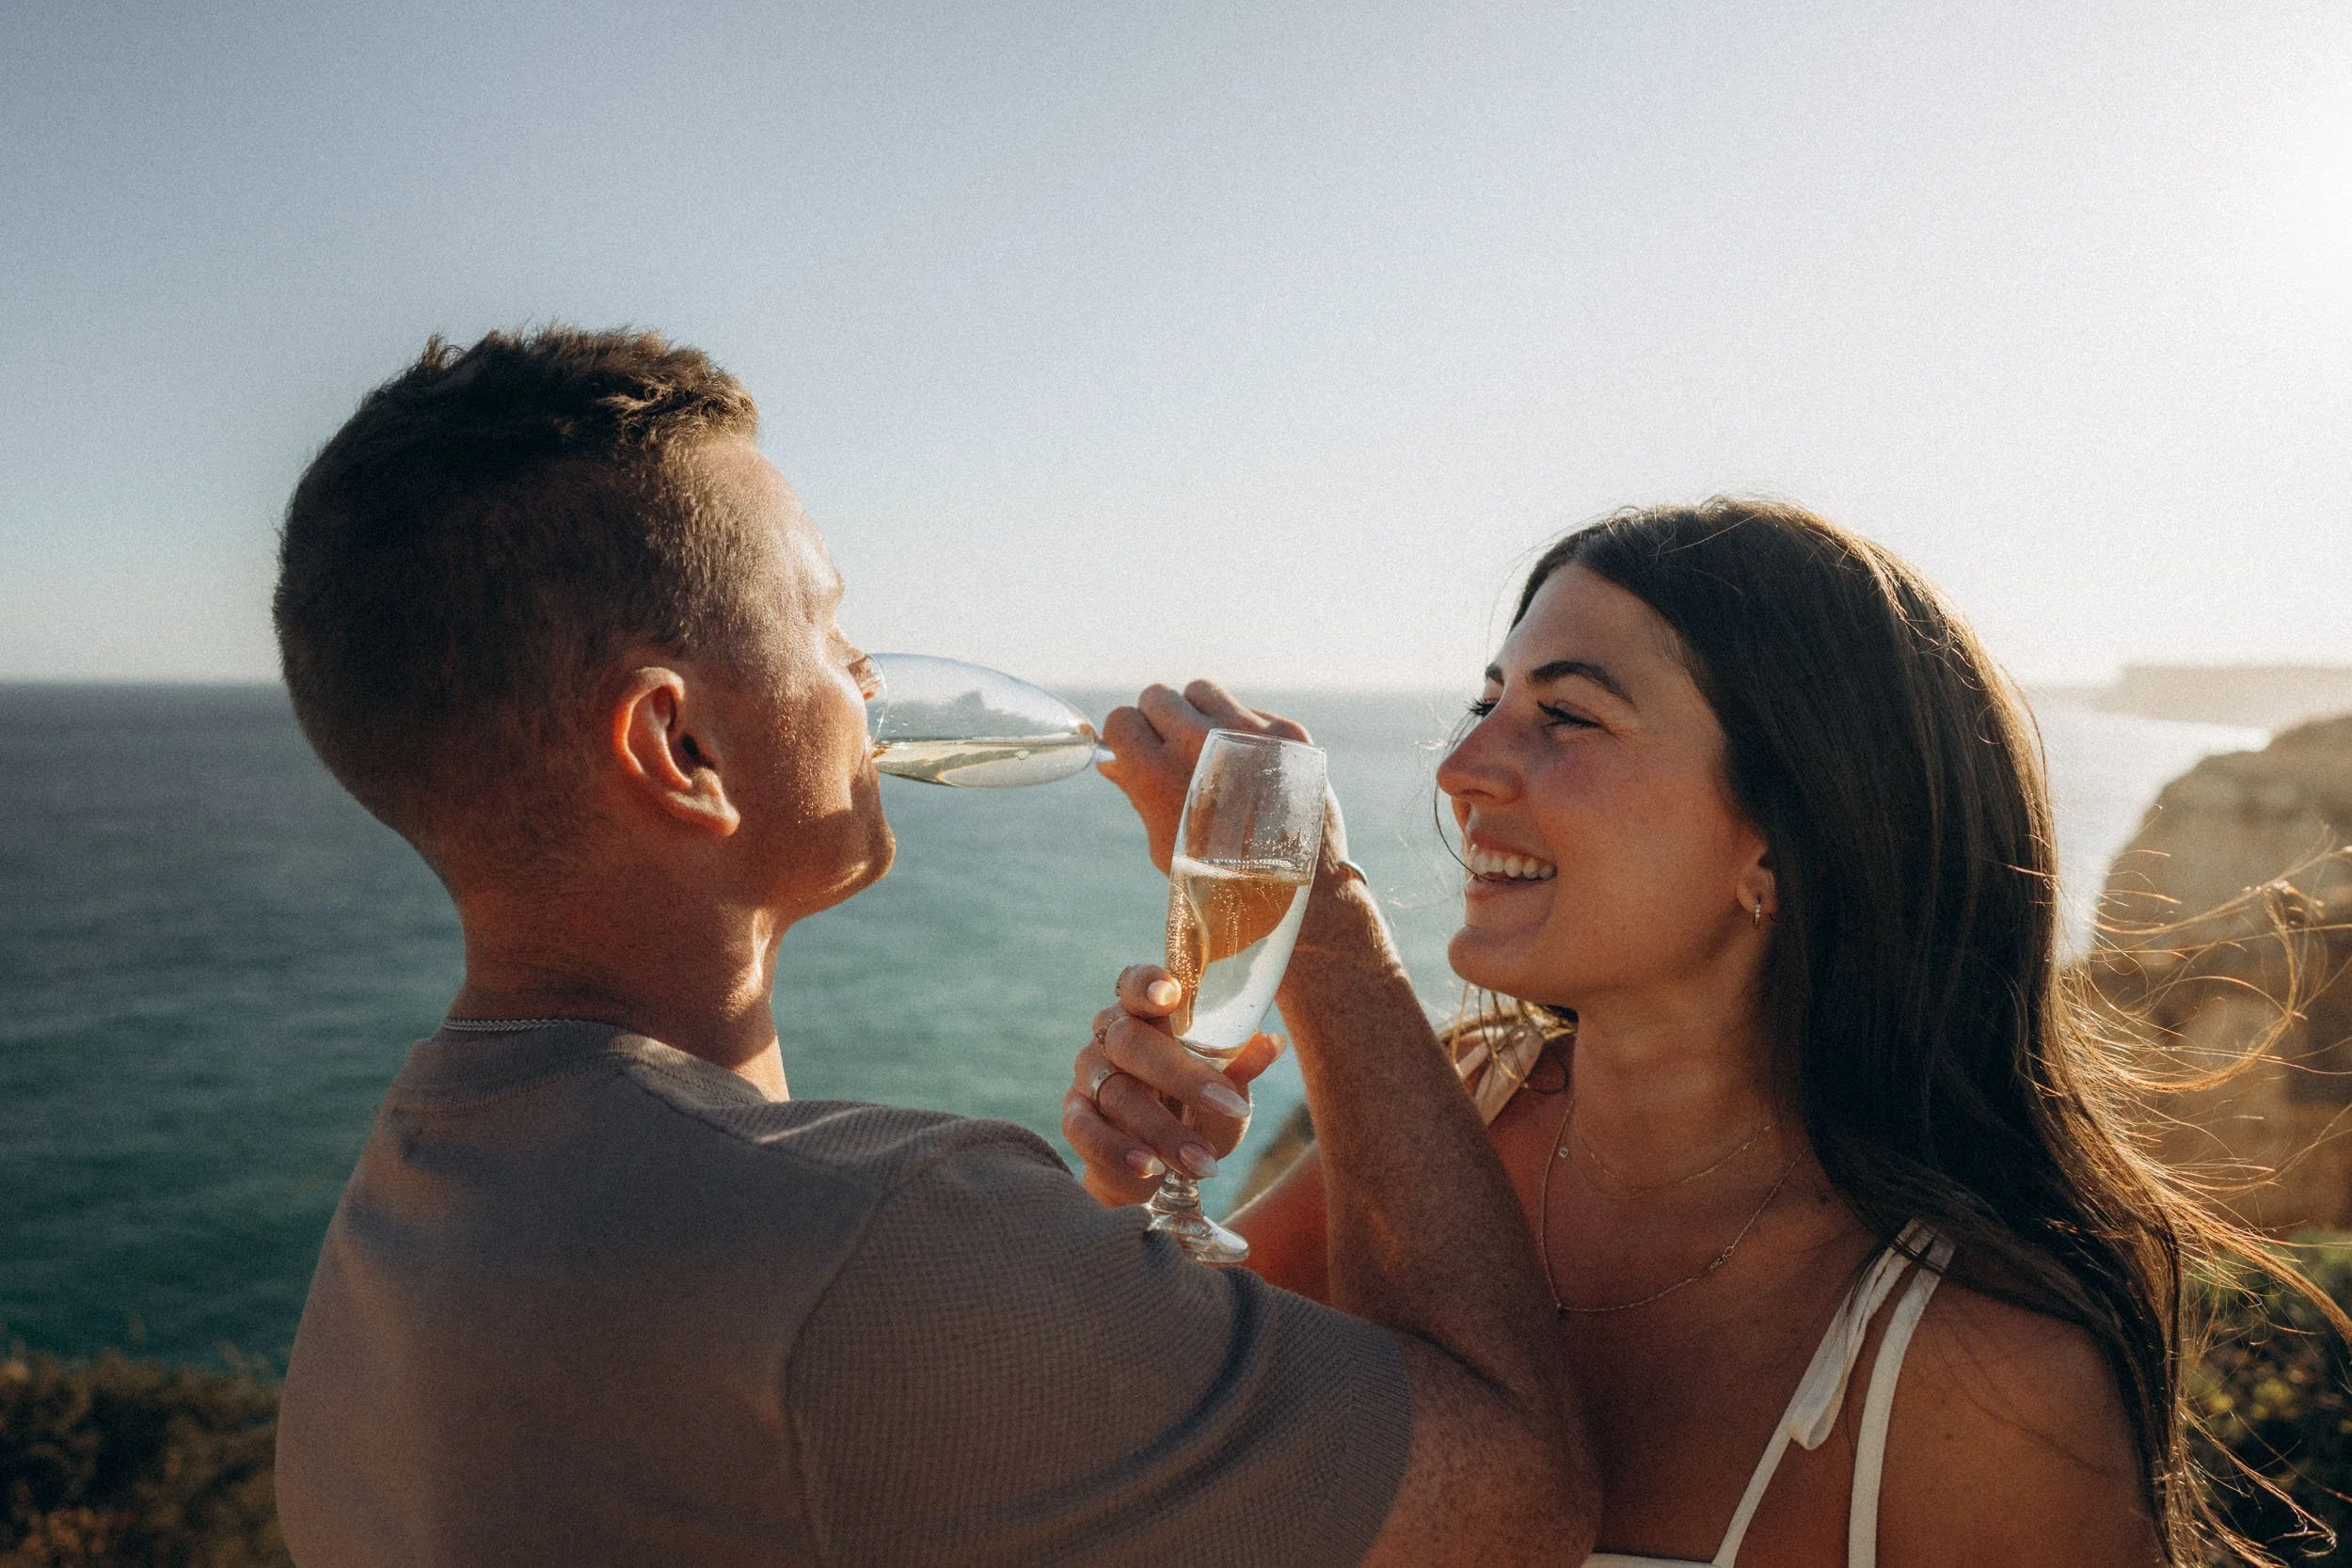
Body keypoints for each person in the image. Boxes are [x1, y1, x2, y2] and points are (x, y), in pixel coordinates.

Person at [268, 326, 1598, 1567]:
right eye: (825, 626)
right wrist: (1321, 915)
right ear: (679, 749)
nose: (869, 680)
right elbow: (1518, 1495)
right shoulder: (885, 1235)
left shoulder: (395, 1224)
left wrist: (1100, 1252)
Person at [1066, 500, 2266, 1566]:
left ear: (1780, 841)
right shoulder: (1472, 1091)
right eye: (1488, 701)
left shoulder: (1982, 1377)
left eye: (1566, 715)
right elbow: (1155, 1416)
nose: (1462, 767)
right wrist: (1130, 1195)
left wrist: (1323, 929)